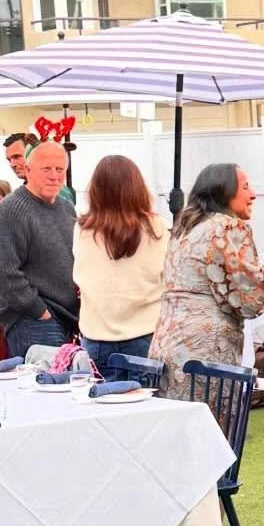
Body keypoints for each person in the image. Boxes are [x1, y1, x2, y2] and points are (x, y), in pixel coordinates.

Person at [151, 163, 264, 396]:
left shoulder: (184, 228)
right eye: (245, 187)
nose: (253, 194)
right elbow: (252, 299)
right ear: (225, 192)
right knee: (213, 428)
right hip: (205, 354)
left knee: (178, 428)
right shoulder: (229, 228)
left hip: (167, 344)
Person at [74, 154, 169, 367]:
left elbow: (80, 275)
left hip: (96, 336)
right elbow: (168, 278)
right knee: (148, 400)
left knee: (99, 399)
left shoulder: (83, 229)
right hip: (145, 334)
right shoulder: (157, 228)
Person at [0, 142, 79, 359]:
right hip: (32, 322)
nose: (54, 176)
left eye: (60, 170)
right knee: (46, 389)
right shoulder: (11, 210)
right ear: (27, 171)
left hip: (66, 320)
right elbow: (2, 271)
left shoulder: (67, 208)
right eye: (46, 169)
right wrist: (39, 311)